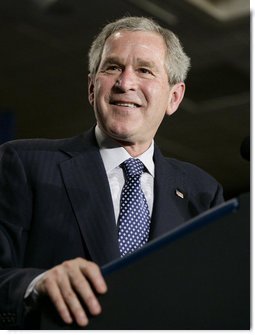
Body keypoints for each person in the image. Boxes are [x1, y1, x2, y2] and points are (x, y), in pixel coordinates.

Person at [0, 16, 224, 329]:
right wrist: (36, 285)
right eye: (112, 67)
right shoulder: (24, 163)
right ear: (92, 87)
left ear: (174, 97)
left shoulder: (202, 191)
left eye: (144, 70)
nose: (125, 83)